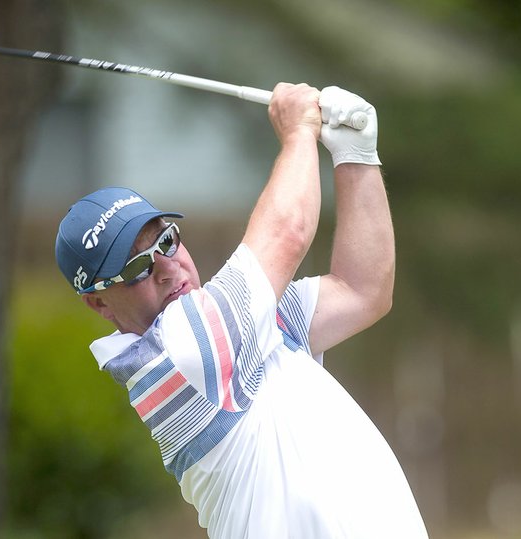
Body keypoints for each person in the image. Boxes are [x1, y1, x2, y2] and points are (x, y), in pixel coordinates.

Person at [55, 84, 429, 538]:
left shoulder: (236, 327)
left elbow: (361, 291)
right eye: (137, 267)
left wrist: (356, 155)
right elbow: (287, 233)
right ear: (98, 302)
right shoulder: (180, 353)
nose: (168, 269)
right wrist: (298, 133)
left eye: (167, 241)